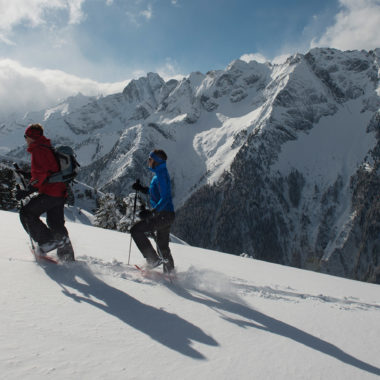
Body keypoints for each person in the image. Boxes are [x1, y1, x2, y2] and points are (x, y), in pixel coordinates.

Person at [16, 123, 75, 261]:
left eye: (26, 136)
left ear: (32, 137)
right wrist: (27, 174)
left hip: (50, 193)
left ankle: (47, 241)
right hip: (59, 192)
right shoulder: (46, 147)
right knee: (56, 223)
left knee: (26, 213)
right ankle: (67, 256)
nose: (25, 139)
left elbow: (41, 175)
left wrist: (27, 191)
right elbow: (48, 172)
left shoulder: (38, 150)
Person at [130, 149, 175, 272]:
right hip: (167, 215)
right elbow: (154, 192)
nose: (148, 161)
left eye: (150, 159)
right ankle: (170, 272)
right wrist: (141, 189)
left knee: (136, 230)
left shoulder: (161, 175)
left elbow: (165, 198)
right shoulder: (160, 174)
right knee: (162, 246)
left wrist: (152, 212)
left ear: (157, 161)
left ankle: (153, 259)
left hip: (162, 215)